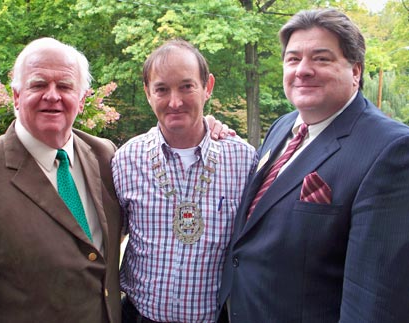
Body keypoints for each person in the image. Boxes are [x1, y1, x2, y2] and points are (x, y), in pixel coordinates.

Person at [217, 8, 409, 323]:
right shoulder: (283, 126)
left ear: (356, 71)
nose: (303, 70)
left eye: (321, 58)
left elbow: (374, 299)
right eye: (293, 59)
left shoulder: (390, 150)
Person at [0, 38, 123, 323]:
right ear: (16, 96)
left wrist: (205, 130)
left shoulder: (105, 155)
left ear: (82, 99)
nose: (52, 95)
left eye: (65, 86)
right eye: (38, 84)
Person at [112, 39, 258, 323]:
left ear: (208, 87)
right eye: (162, 89)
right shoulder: (125, 160)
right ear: (147, 93)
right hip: (140, 316)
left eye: (187, 86)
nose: (175, 101)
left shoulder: (244, 161)